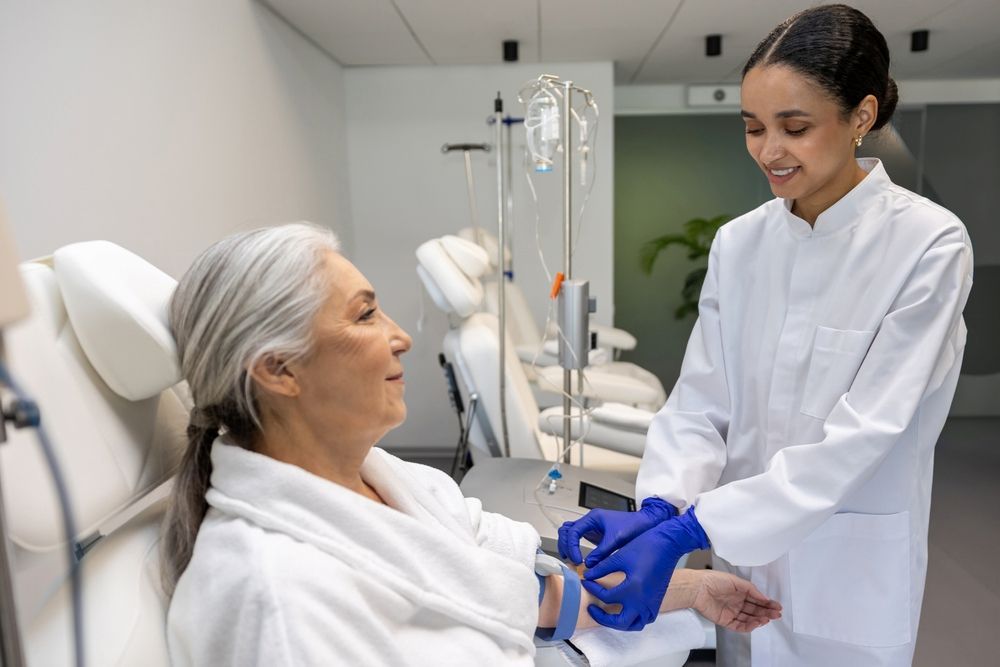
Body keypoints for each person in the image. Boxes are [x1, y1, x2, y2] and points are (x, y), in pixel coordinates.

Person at [558, 4, 973, 666]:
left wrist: (699, 523)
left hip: (850, 566)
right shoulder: (740, 243)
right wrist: (661, 505)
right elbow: (701, 401)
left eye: (795, 127)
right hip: (743, 559)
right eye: (753, 127)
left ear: (861, 116)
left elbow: (866, 433)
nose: (769, 150)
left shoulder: (928, 244)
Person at [161, 223, 781, 666]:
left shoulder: (400, 484)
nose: (399, 336)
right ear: (279, 371)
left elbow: (522, 590)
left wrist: (694, 590)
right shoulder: (274, 597)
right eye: (364, 315)